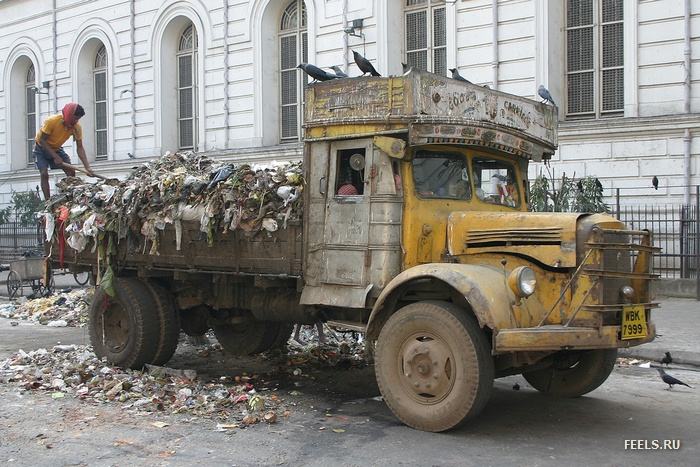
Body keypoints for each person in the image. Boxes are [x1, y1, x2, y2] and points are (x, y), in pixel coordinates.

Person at [34, 102, 94, 199]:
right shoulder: (52, 121)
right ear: (69, 114)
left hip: (57, 148)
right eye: (75, 118)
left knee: (71, 171)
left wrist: (87, 167)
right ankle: (48, 201)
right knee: (44, 173)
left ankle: (72, 196)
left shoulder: (76, 127)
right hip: (41, 148)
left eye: (78, 119)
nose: (76, 121)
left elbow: (80, 147)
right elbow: (42, 141)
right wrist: (55, 156)